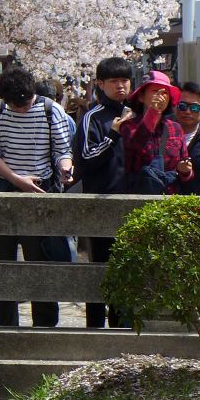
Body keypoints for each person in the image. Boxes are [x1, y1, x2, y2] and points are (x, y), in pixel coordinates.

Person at [0, 66, 75, 329]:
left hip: (41, 189)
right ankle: (5, 324)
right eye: (16, 105)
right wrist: (17, 180)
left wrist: (65, 167)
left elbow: (62, 149)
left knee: (41, 261)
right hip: (5, 187)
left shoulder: (50, 109)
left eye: (26, 103)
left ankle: (45, 326)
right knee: (1, 261)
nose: (22, 108)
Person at [72, 56, 135, 329]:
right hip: (100, 204)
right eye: (113, 81)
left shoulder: (137, 114)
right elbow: (85, 157)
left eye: (124, 81)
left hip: (132, 205)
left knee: (126, 269)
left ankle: (122, 327)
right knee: (99, 269)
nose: (120, 86)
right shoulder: (93, 117)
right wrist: (112, 135)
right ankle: (95, 329)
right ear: (100, 84)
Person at [120, 70, 193, 195]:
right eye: (155, 91)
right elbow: (134, 150)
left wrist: (185, 171)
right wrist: (152, 113)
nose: (161, 96)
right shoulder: (128, 126)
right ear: (141, 97)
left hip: (169, 198)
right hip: (138, 198)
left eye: (165, 93)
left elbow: (185, 167)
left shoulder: (175, 128)